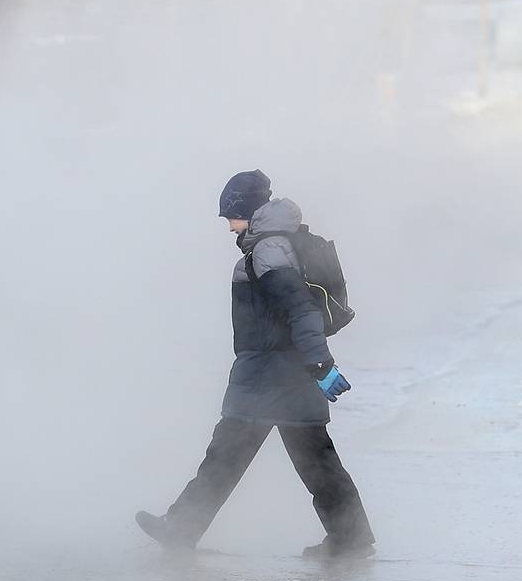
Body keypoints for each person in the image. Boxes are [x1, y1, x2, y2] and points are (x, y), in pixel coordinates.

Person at [136, 170, 375, 560]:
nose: (229, 226)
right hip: (288, 375)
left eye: (230, 216)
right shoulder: (275, 245)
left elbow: (300, 309)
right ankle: (350, 538)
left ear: (245, 210)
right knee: (316, 461)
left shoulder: (268, 250)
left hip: (268, 377)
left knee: (226, 457)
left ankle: (181, 528)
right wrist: (314, 366)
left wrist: (321, 363)